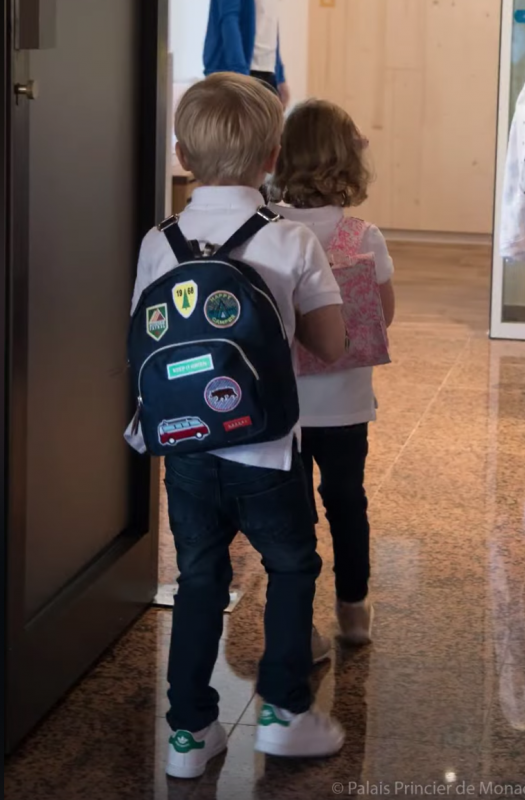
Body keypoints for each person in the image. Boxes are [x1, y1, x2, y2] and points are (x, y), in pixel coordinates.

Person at [131, 75, 346, 779]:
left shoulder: (158, 242)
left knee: (199, 578)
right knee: (290, 566)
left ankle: (190, 734)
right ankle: (285, 715)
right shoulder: (287, 241)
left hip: (186, 448)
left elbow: (144, 339)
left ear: (181, 152)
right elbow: (332, 343)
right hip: (265, 447)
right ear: (272, 157)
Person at [271, 99, 396, 646]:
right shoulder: (363, 236)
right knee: (348, 502)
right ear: (348, 161)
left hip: (280, 407)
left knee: (290, 514)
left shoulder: (267, 230)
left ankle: (297, 617)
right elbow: (383, 316)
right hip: (344, 406)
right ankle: (353, 608)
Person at [204, 0, 291, 107]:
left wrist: (280, 76)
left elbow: (269, 26)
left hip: (266, 73)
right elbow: (229, 20)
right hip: (236, 74)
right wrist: (239, 74)